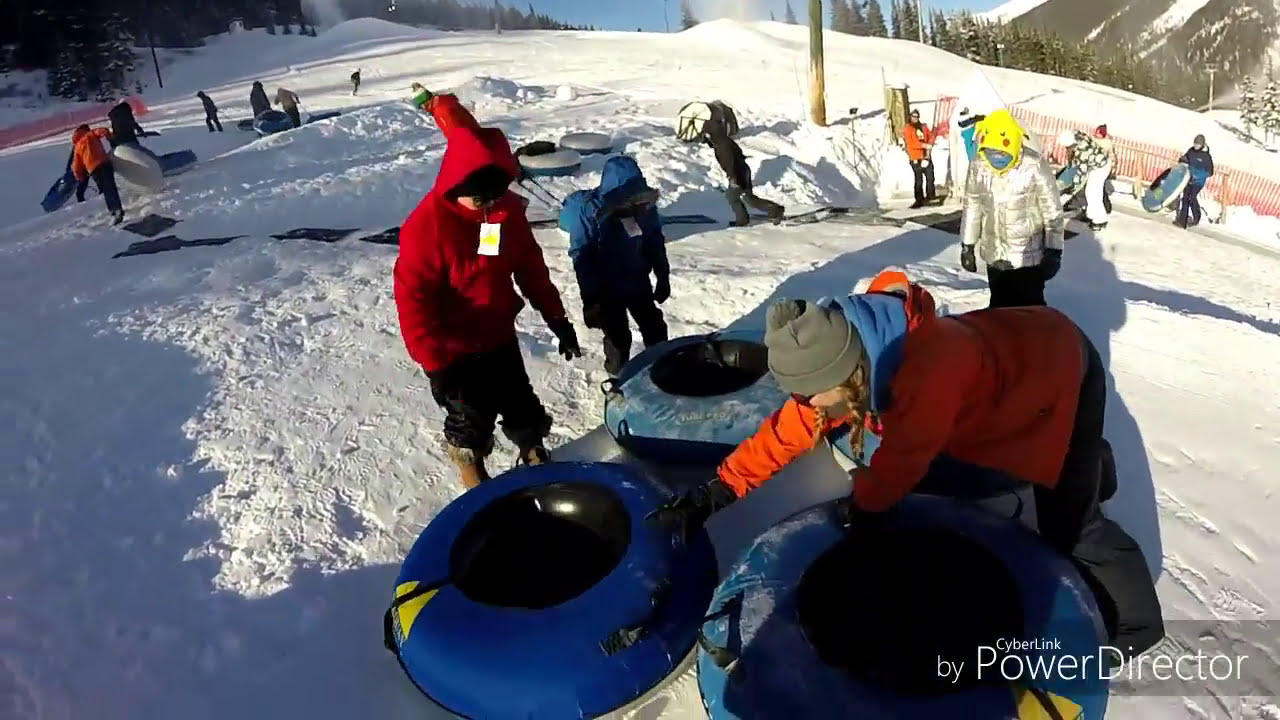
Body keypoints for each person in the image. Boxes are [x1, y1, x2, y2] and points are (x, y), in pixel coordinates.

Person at [647, 268, 1164, 661]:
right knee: (948, 485)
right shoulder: (848, 355)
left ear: (845, 372)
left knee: (1067, 519)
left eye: (812, 395)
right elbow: (792, 429)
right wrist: (718, 490)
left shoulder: (932, 366)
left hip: (1058, 365)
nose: (810, 406)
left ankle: (1137, 625)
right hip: (998, 385)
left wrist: (866, 510)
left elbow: (904, 457)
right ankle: (1086, 464)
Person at [393, 102, 582, 488]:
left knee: (519, 401)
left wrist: (557, 319)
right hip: (454, 348)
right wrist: (435, 364)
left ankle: (532, 450)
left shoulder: (504, 214)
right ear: (456, 189)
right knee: (470, 415)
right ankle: (471, 468)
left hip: (497, 333)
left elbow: (530, 268)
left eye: (497, 196)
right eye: (482, 200)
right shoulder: (425, 229)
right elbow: (413, 301)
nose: (491, 206)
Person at [560, 155, 671, 375]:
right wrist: (590, 300)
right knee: (618, 340)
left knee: (656, 330)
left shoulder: (644, 206)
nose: (635, 205)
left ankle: (659, 373)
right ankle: (616, 378)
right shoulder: (590, 211)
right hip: (605, 288)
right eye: (628, 201)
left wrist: (662, 275)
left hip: (637, 280)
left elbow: (654, 240)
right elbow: (582, 255)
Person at [959, 109, 1065, 308]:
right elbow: (972, 204)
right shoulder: (978, 166)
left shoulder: (1034, 166)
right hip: (995, 255)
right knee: (999, 309)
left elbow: (1052, 211)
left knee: (1029, 311)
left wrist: (1054, 250)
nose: (996, 159)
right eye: (991, 153)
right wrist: (968, 244)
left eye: (1002, 154)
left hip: (1028, 258)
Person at [700, 118, 784, 226]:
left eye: (706, 134)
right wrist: (708, 142)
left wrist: (734, 179)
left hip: (738, 173)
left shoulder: (723, 146)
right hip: (743, 171)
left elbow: (731, 163)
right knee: (750, 199)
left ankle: (743, 220)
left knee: (732, 197)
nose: (705, 136)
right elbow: (720, 146)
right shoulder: (722, 141)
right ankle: (776, 210)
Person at [70, 124, 124, 225]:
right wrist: (111, 138)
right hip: (104, 163)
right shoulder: (90, 134)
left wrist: (81, 178)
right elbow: (103, 130)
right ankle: (117, 209)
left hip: (93, 170)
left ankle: (113, 210)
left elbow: (76, 166)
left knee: (105, 188)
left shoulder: (77, 147)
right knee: (111, 187)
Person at [1061, 129, 1112, 231]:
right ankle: (1093, 215)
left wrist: (1072, 189)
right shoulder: (1079, 136)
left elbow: (1080, 175)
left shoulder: (1081, 153)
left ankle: (1099, 220)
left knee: (1092, 193)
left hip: (1101, 167)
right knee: (1092, 192)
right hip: (1098, 163)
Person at [1176, 134, 1213, 228]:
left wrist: (1197, 175)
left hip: (1198, 182)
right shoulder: (1191, 151)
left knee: (1191, 197)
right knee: (1185, 198)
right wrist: (1182, 160)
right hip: (1188, 178)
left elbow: (1210, 172)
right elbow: (1185, 159)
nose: (1196, 146)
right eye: (1195, 143)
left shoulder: (1206, 157)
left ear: (1202, 145)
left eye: (1198, 144)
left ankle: (1197, 217)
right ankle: (1182, 221)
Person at [902, 108, 936, 208]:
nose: (916, 119)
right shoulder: (908, 128)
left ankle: (930, 196)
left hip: (926, 156)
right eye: (914, 117)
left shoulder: (923, 127)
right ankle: (919, 199)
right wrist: (924, 145)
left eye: (917, 117)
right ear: (910, 117)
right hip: (915, 156)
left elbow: (930, 136)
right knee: (919, 179)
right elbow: (911, 143)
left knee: (930, 176)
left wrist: (931, 140)